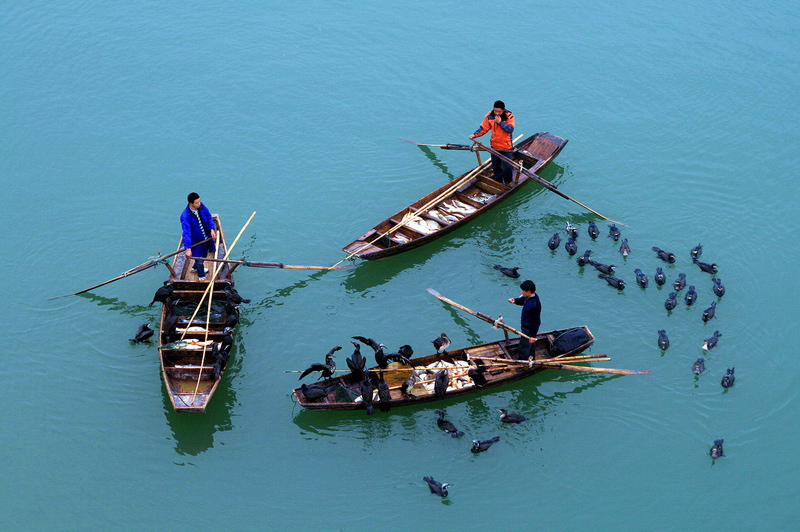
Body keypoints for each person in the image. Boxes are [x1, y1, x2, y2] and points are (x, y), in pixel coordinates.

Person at [469, 100, 515, 185]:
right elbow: (483, 128)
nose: (497, 113)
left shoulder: (509, 116)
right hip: (494, 145)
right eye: (495, 111)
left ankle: (509, 183)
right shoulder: (489, 116)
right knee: (496, 165)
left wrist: (500, 122)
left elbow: (510, 129)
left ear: (503, 110)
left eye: (499, 111)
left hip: (506, 146)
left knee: (507, 166)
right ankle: (498, 181)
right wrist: (475, 135)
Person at [180, 192, 217, 281]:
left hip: (205, 237)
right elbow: (187, 232)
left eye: (199, 201)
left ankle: (195, 267)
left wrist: (212, 229)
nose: (199, 204)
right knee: (199, 258)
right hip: (195, 241)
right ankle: (201, 276)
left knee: (205, 254)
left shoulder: (201, 206)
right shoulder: (185, 217)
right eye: (196, 203)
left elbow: (208, 217)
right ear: (191, 204)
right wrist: (188, 248)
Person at [508, 280, 541, 360]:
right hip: (525, 326)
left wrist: (532, 336)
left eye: (523, 291)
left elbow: (536, 322)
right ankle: (532, 358)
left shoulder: (534, 305)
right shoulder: (530, 297)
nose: (522, 292)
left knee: (523, 347)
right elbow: (523, 300)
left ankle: (523, 364)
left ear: (529, 291)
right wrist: (515, 300)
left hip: (528, 329)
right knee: (531, 344)